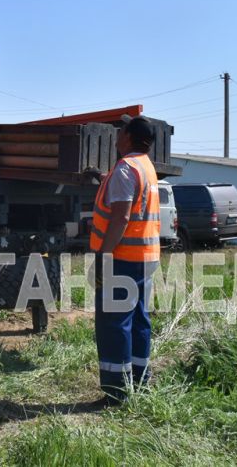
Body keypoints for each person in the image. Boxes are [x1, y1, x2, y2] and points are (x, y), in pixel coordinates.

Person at [90, 115, 160, 405]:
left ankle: (116, 393)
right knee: (139, 319)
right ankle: (139, 383)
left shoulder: (125, 169)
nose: (116, 135)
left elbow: (121, 217)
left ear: (128, 137)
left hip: (123, 258)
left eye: (121, 131)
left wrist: (104, 254)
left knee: (114, 322)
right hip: (146, 257)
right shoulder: (146, 166)